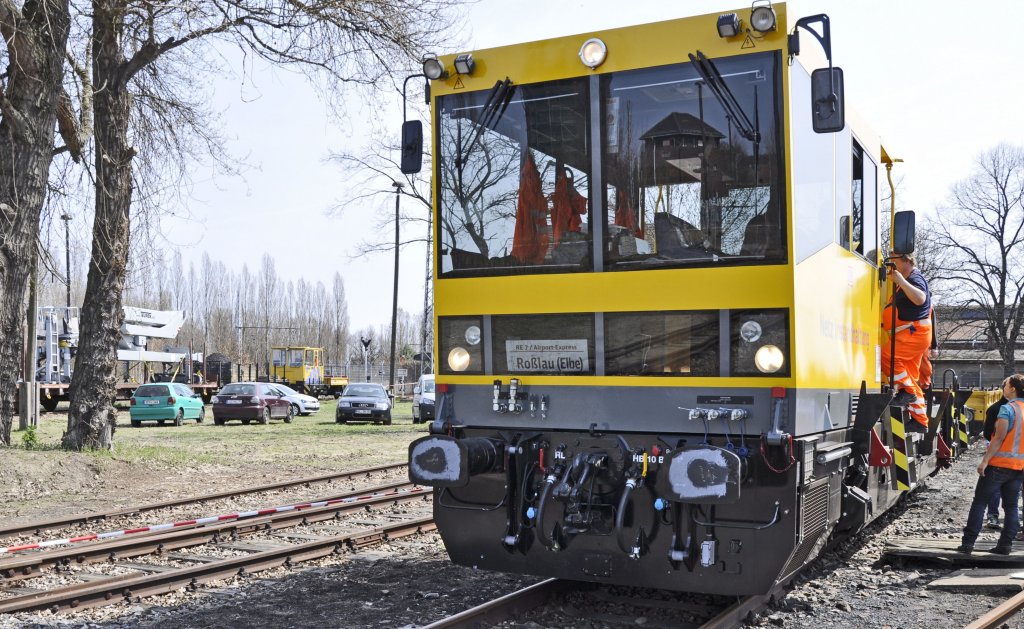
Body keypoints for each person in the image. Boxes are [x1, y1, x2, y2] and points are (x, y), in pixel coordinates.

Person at [958, 375, 1024, 554]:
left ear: (1013, 389)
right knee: (1011, 506)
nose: (1004, 387)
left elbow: (998, 438)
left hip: (999, 465)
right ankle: (1005, 545)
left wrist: (985, 461)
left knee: (979, 502)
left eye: (1007, 385)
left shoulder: (1007, 409)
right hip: (1019, 468)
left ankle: (968, 544)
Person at [880, 252, 932, 429]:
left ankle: (908, 392)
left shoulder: (914, 278)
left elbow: (920, 298)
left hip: (913, 333)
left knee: (887, 356)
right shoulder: (909, 279)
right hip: (913, 333)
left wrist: (901, 281)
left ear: (906, 260)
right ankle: (920, 421)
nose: (891, 263)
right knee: (908, 378)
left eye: (893, 259)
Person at [984, 395, 1011, 529]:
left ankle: (993, 516)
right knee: (1014, 491)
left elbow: (987, 434)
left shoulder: (995, 408)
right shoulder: (1003, 409)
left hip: (998, 456)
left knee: (995, 488)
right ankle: (1011, 520)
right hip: (1014, 459)